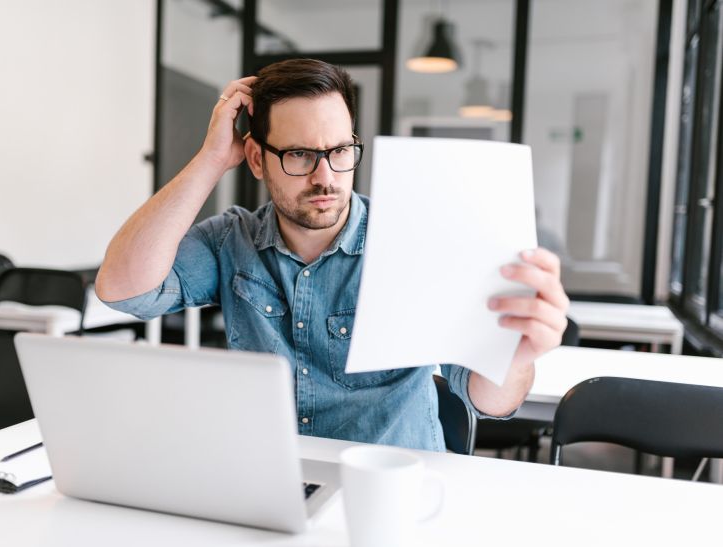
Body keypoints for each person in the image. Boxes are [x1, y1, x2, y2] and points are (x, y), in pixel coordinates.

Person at [95, 59, 569, 452]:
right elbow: (123, 290)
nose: (327, 177)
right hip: (274, 485)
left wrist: (515, 355)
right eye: (300, 155)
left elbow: (486, 399)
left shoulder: (415, 239)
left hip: (392, 491)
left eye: (340, 150)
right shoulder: (232, 240)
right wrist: (211, 159)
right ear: (257, 159)